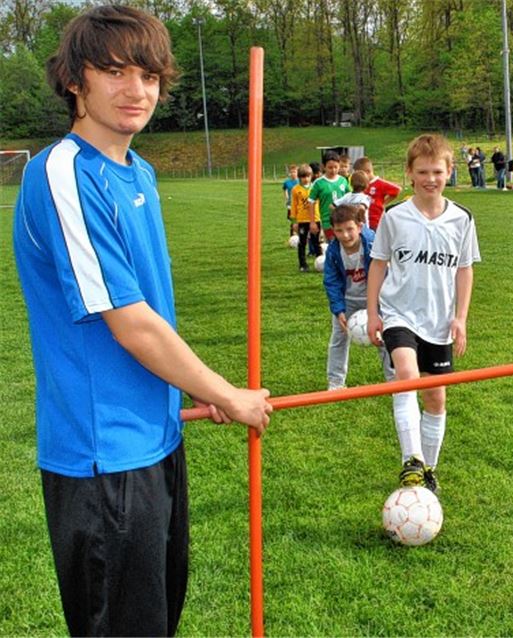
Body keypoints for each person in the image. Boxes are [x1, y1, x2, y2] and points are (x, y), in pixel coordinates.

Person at [11, 6, 273, 636]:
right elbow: (130, 324)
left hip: (156, 441)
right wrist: (224, 393)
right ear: (76, 80)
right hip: (104, 459)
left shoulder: (140, 173)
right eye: (115, 71)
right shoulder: (63, 174)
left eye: (150, 76)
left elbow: (152, 312)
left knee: (155, 620)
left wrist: (197, 392)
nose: (137, 91)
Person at [366, 133, 480, 493]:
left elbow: (464, 269)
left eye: (437, 171)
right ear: (409, 174)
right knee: (406, 374)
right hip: (400, 313)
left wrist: (460, 318)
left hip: (439, 320)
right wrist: (373, 313)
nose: (430, 179)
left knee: (435, 397)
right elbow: (378, 265)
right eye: (422, 172)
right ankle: (411, 461)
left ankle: (428, 470)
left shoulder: (462, 219)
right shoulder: (395, 216)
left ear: (449, 172)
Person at [323, 204, 395, 390]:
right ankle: (336, 382)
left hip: (375, 299)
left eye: (350, 229)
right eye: (339, 231)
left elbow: (385, 274)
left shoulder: (372, 244)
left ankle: (394, 380)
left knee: (384, 338)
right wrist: (338, 309)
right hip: (347, 300)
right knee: (339, 339)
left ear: (360, 226)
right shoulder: (332, 251)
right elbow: (331, 281)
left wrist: (380, 304)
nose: (345, 235)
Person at [308, 150, 350, 248]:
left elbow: (350, 197)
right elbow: (311, 202)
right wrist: (312, 222)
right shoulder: (318, 183)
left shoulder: (343, 180)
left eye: (336, 167)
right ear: (323, 167)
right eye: (330, 167)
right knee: (334, 246)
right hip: (328, 221)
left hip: (344, 219)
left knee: (345, 246)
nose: (333, 170)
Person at [353, 156, 401, 231]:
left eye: (360, 174)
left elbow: (397, 190)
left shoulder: (380, 183)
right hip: (363, 220)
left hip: (376, 220)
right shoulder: (361, 184)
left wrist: (384, 203)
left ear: (368, 172)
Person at [290, 164, 316, 272]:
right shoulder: (296, 190)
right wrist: (294, 221)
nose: (306, 179)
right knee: (302, 242)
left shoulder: (315, 187)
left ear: (311, 176)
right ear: (299, 178)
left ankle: (320, 260)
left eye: (308, 176)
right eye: (303, 177)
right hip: (302, 219)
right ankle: (302, 264)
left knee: (316, 241)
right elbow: (294, 205)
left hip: (315, 219)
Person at [283, 164, 299, 238]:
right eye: (291, 172)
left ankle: (300, 235)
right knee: (292, 220)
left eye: (294, 172)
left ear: (297, 172)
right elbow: (284, 189)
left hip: (299, 204)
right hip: (290, 204)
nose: (293, 173)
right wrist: (286, 197)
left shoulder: (300, 181)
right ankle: (292, 236)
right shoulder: (287, 182)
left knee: (299, 219)